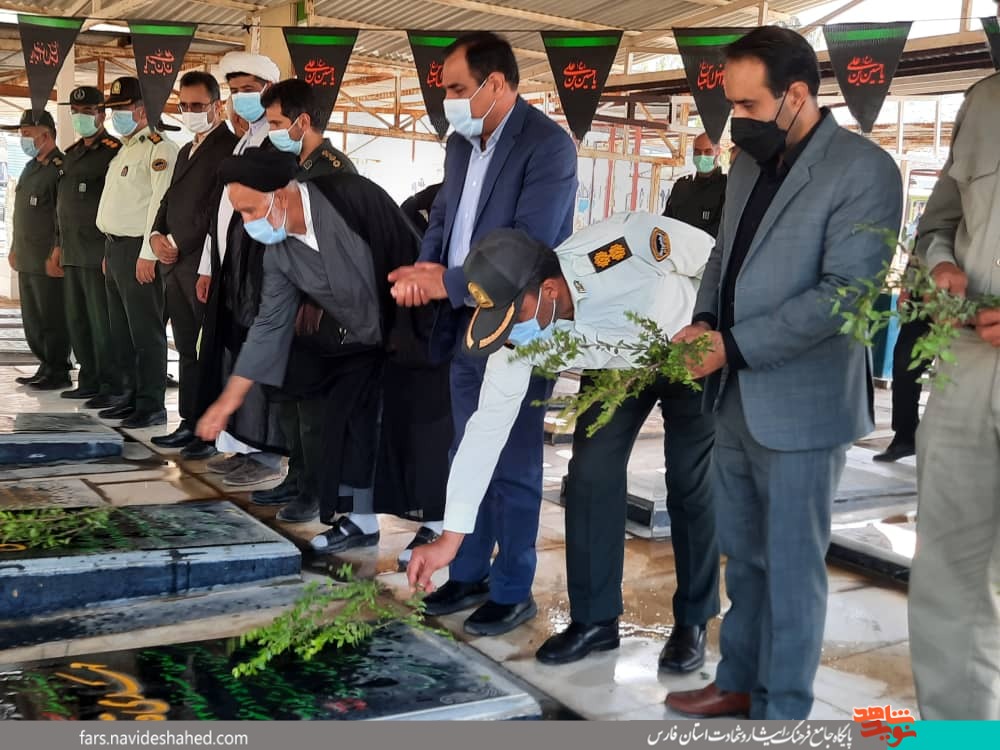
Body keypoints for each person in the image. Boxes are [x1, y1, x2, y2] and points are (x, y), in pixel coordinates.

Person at [663, 27, 902, 720]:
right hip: (734, 395)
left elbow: (844, 295)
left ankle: (783, 709)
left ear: (796, 95)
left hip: (803, 405)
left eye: (748, 104)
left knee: (793, 569)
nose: (736, 120)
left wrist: (733, 346)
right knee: (745, 557)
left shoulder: (863, 170)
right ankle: (739, 680)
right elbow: (722, 256)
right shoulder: (747, 164)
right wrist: (705, 319)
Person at [407, 213, 720, 669]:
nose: (511, 331)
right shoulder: (517, 337)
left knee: (690, 483)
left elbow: (714, 261)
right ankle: (595, 621)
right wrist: (449, 538)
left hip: (689, 350)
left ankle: (693, 620)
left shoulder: (626, 245)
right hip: (616, 369)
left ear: (550, 291)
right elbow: (485, 430)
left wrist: (710, 329)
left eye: (516, 316)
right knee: (590, 475)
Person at [389, 31, 577, 636]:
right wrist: (426, 269)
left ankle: (513, 588)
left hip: (520, 325)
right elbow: (444, 215)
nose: (448, 100)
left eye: (457, 88)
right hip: (464, 320)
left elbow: (527, 244)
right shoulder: (461, 143)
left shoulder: (548, 147)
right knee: (465, 451)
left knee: (513, 461)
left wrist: (444, 281)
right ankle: (468, 570)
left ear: (496, 84)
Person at [195, 150, 423, 534]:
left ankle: (437, 527)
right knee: (352, 426)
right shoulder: (279, 252)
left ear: (281, 196)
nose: (248, 223)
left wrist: (414, 334)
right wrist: (229, 400)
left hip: (416, 325)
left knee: (426, 432)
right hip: (365, 340)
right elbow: (269, 326)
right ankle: (360, 523)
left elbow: (408, 251)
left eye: (251, 210)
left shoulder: (350, 196)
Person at [908, 46, 1000, 720]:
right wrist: (939, 266)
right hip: (967, 365)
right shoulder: (985, 102)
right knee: (949, 575)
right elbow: (937, 224)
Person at [249, 77, 359, 522]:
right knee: (289, 395)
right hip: (287, 300)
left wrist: (315, 302)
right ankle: (296, 476)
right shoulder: (296, 166)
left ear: (303, 121)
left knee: (313, 406)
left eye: (277, 123)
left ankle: (316, 490)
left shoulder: (333, 170)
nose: (273, 131)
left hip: (316, 307)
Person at [187, 51, 286, 480]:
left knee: (257, 355)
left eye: (249, 89)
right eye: (235, 90)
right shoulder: (246, 139)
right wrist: (209, 267)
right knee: (231, 352)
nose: (241, 98)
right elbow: (221, 211)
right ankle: (241, 445)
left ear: (269, 91)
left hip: (260, 269)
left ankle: (264, 453)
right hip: (231, 268)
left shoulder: (276, 141)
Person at [148, 71, 238, 453]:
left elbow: (215, 209)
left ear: (217, 106)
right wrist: (156, 234)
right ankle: (188, 420)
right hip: (174, 265)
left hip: (203, 264)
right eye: (184, 105)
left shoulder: (229, 147)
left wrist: (176, 243)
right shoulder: (186, 149)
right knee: (185, 348)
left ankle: (209, 430)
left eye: (198, 105)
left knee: (208, 351)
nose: (190, 112)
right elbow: (169, 199)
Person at [94, 77, 178, 429]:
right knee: (122, 333)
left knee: (145, 332)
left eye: (121, 109)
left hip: (138, 251)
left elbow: (159, 205)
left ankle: (151, 403)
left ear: (142, 110)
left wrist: (147, 254)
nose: (116, 115)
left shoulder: (159, 149)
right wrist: (109, 248)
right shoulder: (126, 149)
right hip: (116, 249)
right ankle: (129, 395)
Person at [55, 87, 121, 405]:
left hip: (97, 254)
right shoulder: (71, 153)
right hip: (72, 252)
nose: (80, 117)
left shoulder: (113, 152)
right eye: (76, 112)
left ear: (101, 114)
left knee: (101, 323)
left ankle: (109, 385)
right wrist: (58, 245)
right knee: (77, 320)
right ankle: (88, 379)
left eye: (87, 112)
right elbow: (62, 205)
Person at [6, 109, 70, 391]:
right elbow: (20, 213)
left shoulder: (59, 168)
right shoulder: (31, 167)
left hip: (47, 259)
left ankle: (58, 368)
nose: (23, 140)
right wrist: (14, 247)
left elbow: (62, 215)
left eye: (27, 134)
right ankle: (45, 364)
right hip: (27, 256)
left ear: (45, 135)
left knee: (51, 316)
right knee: (32, 318)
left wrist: (57, 250)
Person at [874, 253, 930, 463]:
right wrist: (906, 287)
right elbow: (921, 244)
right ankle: (906, 435)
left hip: (973, 289)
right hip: (923, 288)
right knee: (904, 360)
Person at [663, 132, 727, 238]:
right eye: (697, 151)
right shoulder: (681, 187)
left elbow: (723, 231)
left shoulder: (726, 188)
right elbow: (666, 222)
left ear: (718, 152)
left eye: (708, 152)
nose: (701, 156)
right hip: (676, 245)